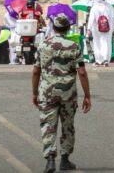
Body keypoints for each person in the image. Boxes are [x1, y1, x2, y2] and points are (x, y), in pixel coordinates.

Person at [32, 14, 91, 173]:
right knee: (68, 126)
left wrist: (34, 93)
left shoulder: (44, 45)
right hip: (68, 93)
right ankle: (65, 160)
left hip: (47, 92)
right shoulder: (74, 46)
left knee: (48, 125)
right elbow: (82, 72)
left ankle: (50, 159)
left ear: (53, 27)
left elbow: (36, 71)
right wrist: (87, 96)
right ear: (67, 28)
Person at [88, 0, 114, 66]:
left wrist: (89, 29)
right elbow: (113, 18)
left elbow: (91, 19)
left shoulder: (94, 7)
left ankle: (98, 60)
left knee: (97, 44)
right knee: (106, 43)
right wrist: (111, 28)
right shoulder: (109, 7)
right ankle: (105, 59)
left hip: (96, 28)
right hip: (107, 28)